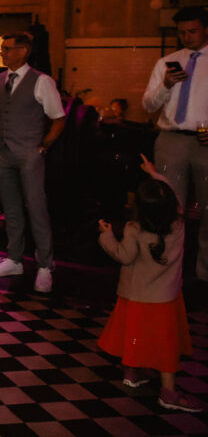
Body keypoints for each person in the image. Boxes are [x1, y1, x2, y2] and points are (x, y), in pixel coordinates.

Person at [97, 156, 203, 412]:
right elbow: (174, 201)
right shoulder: (178, 225)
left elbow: (123, 255)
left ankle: (132, 373)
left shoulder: (135, 229)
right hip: (165, 298)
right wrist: (156, 174)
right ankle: (168, 390)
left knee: (134, 335)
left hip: (135, 295)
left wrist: (107, 236)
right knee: (166, 343)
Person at [0, 31, 65, 293]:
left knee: (37, 207)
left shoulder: (42, 82)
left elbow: (58, 119)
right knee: (12, 208)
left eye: (7, 49)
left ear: (23, 51)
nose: (2, 53)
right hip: (1, 153)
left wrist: (42, 147)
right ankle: (14, 259)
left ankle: (45, 265)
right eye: (1, 49)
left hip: (29, 153)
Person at [142, 5, 208, 282]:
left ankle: (205, 274)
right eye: (181, 32)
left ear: (206, 28)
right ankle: (168, 271)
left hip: (204, 141)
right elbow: (147, 105)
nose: (186, 37)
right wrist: (166, 85)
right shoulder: (167, 62)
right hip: (171, 139)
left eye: (192, 31)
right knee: (169, 208)